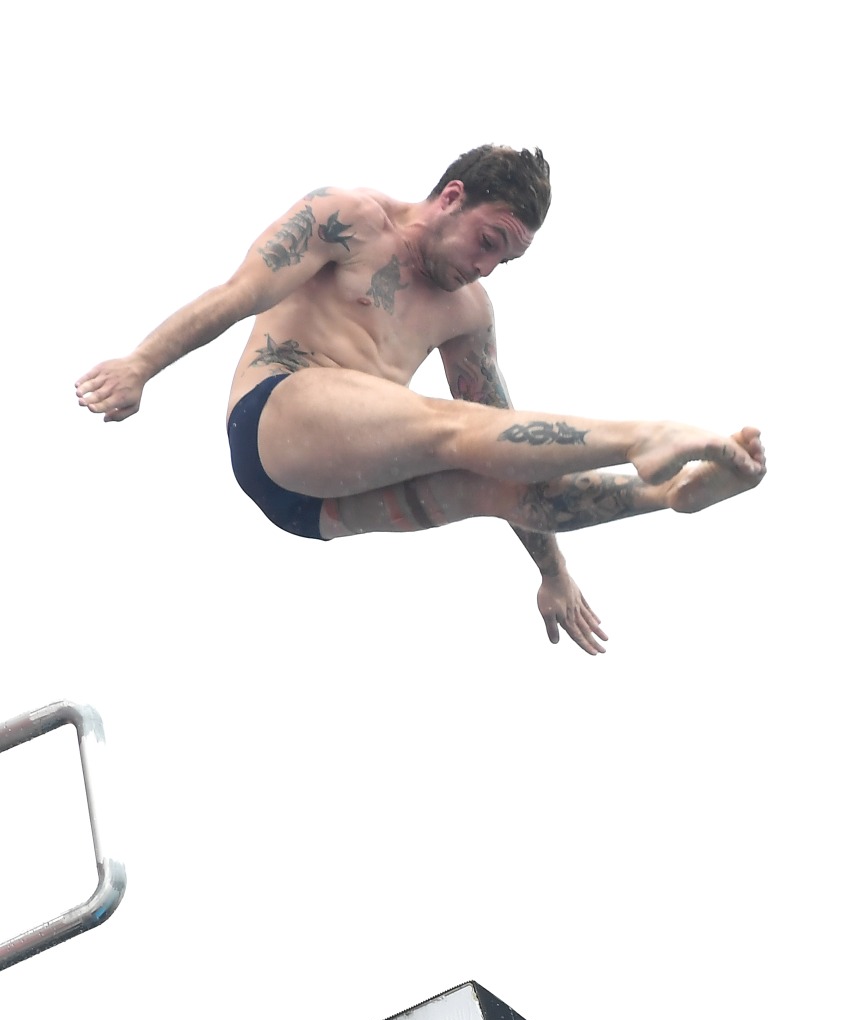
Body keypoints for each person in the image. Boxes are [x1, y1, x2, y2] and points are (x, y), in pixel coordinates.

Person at [76, 145, 765, 655]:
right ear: (451, 197)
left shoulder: (469, 312)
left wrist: (553, 573)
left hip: (313, 509)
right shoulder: (347, 218)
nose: (484, 267)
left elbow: (504, 441)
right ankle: (644, 437)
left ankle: (666, 496)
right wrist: (141, 364)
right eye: (487, 242)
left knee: (492, 484)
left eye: (503, 261)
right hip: (278, 418)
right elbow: (239, 294)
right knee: (448, 426)